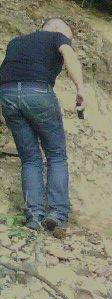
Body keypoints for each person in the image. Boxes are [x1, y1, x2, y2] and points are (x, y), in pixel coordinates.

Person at [0, 18, 86, 237]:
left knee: (30, 158)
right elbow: (69, 55)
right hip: (37, 92)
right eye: (68, 35)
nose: (69, 40)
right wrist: (80, 88)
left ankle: (34, 216)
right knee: (56, 155)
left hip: (7, 94)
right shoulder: (57, 37)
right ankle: (57, 214)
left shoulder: (16, 42)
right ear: (56, 28)